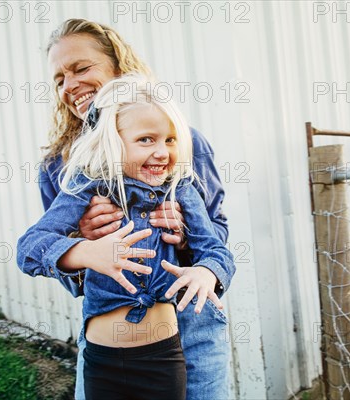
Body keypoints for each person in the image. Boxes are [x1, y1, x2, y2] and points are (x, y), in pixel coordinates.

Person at [31, 19, 234, 400]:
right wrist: (83, 244)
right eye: (59, 79)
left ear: (119, 69)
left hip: (190, 320)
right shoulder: (60, 166)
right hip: (110, 338)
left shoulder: (181, 145)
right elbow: (49, 258)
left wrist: (185, 236)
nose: (69, 85)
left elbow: (218, 232)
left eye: (81, 68)